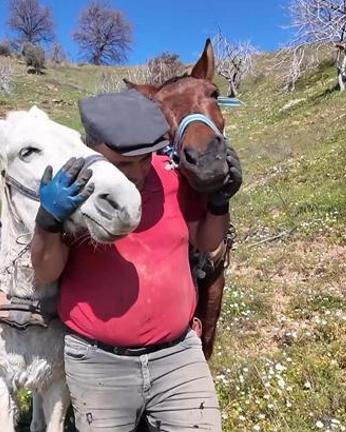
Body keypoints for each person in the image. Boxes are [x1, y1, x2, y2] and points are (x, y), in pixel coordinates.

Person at [30, 89, 242, 431]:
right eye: (125, 164)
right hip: (99, 364)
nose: (140, 172)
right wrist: (48, 221)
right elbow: (44, 271)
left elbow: (206, 240)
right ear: (92, 149)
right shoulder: (74, 188)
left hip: (177, 356)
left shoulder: (170, 176)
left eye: (145, 158)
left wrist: (219, 203)